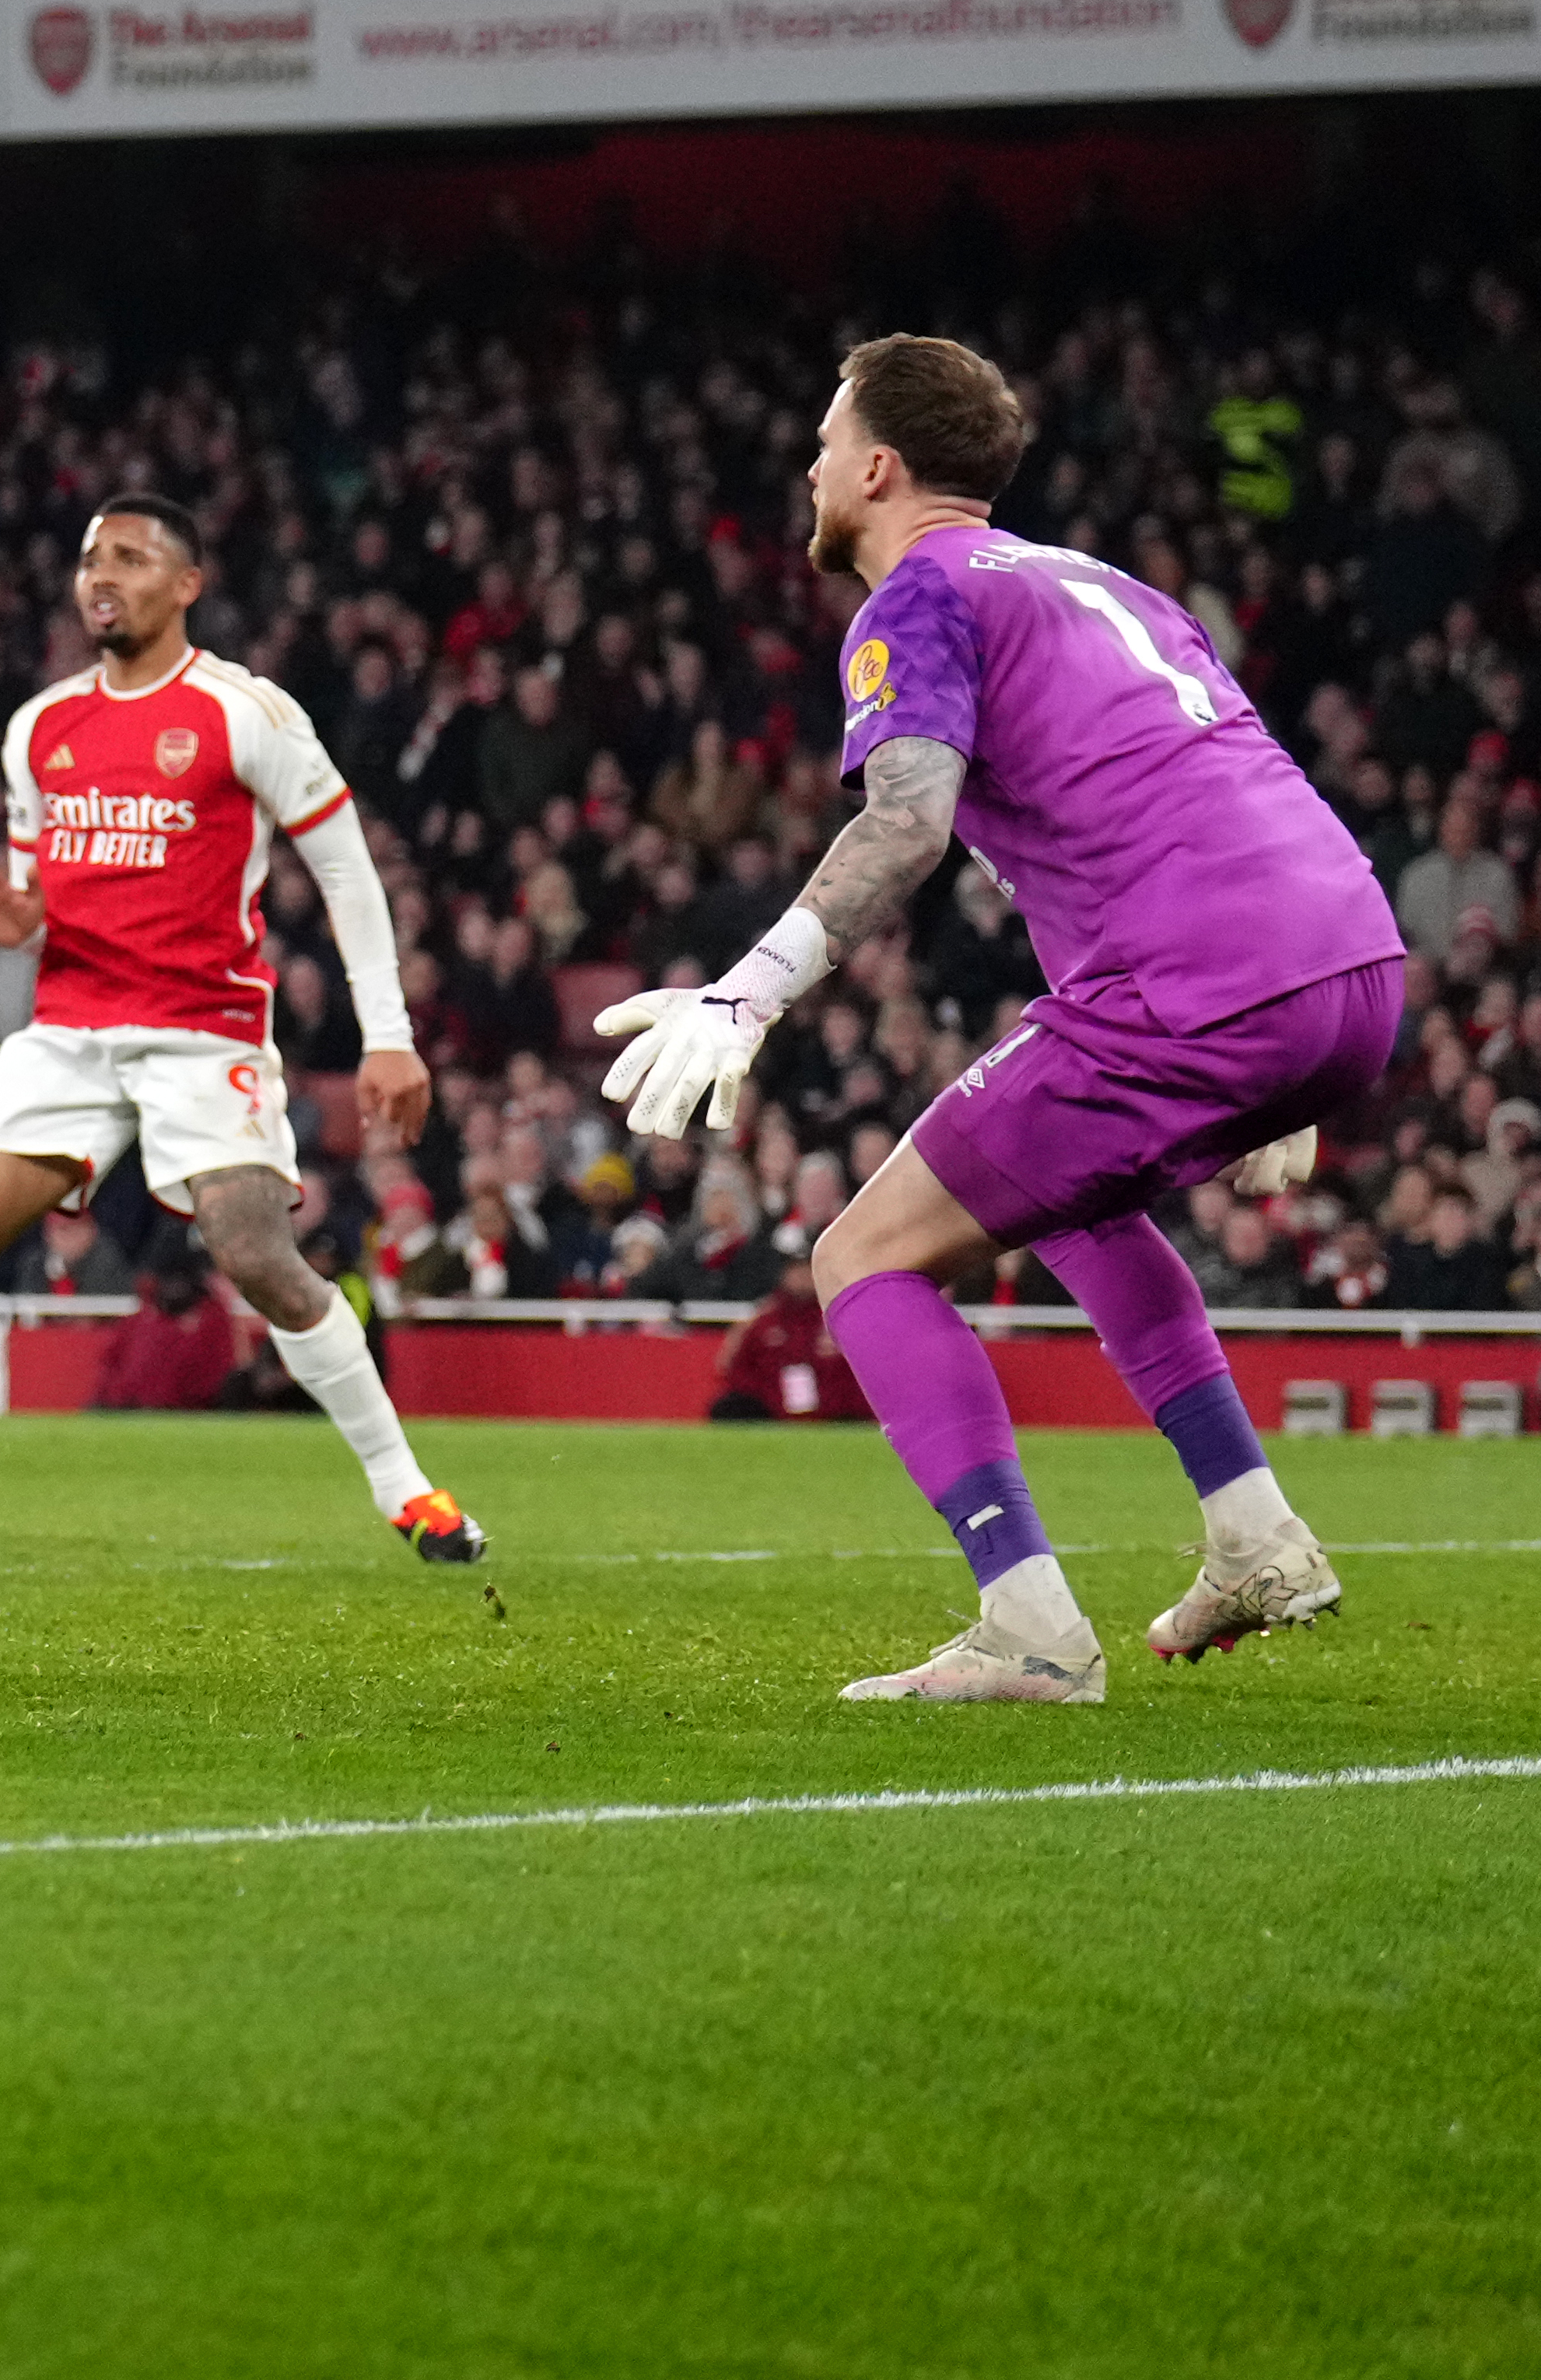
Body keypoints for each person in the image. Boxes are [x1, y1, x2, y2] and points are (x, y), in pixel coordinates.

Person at [596, 334, 1396, 1703]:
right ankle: (1256, 1533)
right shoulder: (1107, 584)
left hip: (1202, 973)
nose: (811, 462)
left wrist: (750, 992)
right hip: (1351, 958)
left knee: (862, 1260)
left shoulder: (917, 595)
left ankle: (1030, 1629)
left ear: (881, 466)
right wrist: (1297, 1064)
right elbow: (1219, 781)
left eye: (828, 437)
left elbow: (905, 824)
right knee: (1079, 1201)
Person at [0, 493, 482, 1563]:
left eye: (129, 556)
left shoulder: (241, 711)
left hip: (203, 1030)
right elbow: (34, 890)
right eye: (88, 559)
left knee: (256, 1252)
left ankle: (409, 1490)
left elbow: (347, 867)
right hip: (68, 1028)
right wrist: (23, 920)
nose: (100, 576)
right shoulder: (40, 728)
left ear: (186, 584)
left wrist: (385, 1033)